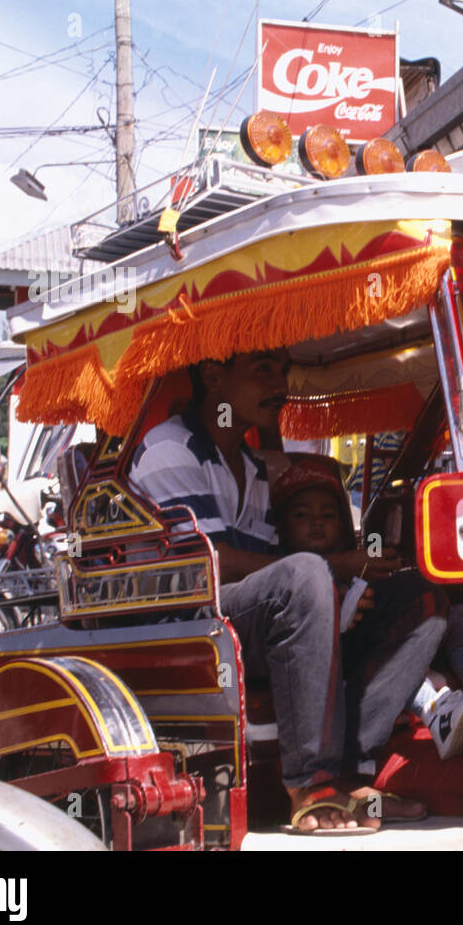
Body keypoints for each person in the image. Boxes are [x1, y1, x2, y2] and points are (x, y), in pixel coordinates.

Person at [128, 349, 443, 834]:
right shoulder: (170, 448)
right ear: (213, 375)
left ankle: (352, 774)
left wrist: (345, 588)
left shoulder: (253, 468)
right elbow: (210, 564)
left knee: (418, 597)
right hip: (192, 622)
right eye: (263, 371)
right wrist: (331, 568)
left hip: (252, 620)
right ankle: (310, 785)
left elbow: (270, 570)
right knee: (307, 574)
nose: (281, 385)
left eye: (282, 371)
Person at [271, 453, 463, 760]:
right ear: (281, 527)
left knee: (456, 617)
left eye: (329, 515)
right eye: (302, 515)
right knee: (399, 652)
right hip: (346, 659)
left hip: (393, 637)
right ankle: (437, 709)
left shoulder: (357, 558)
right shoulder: (285, 572)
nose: (316, 522)